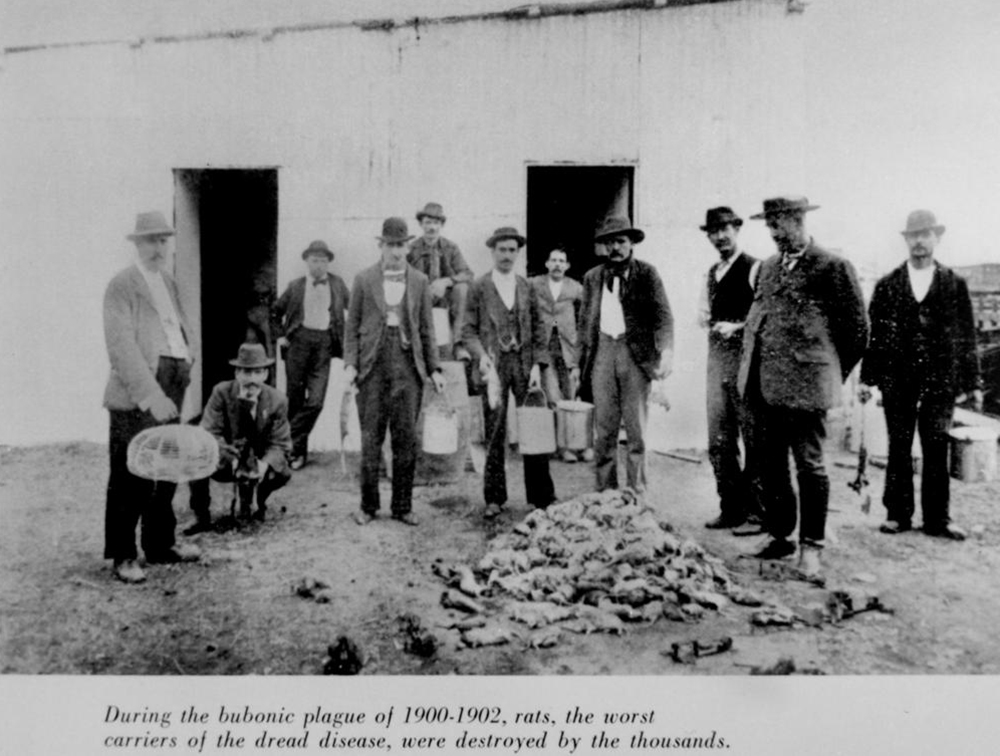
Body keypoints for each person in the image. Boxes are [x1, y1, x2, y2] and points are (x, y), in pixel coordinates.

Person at [737, 196, 868, 579]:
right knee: (773, 464)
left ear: (799, 221)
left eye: (781, 225)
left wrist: (827, 373)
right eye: (771, 227)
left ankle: (812, 546)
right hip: (767, 384)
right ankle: (781, 536)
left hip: (808, 386)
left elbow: (857, 331)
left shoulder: (833, 266)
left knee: (809, 465)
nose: (776, 234)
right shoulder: (768, 268)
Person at [859, 210, 982, 541]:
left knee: (936, 445)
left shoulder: (953, 284)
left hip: (940, 380)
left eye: (925, 234)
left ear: (936, 238)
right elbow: (876, 335)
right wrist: (867, 379)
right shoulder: (888, 285)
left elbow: (966, 336)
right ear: (905, 240)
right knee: (899, 445)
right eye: (913, 235)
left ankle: (937, 519)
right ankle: (897, 515)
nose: (919, 241)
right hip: (898, 379)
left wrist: (973, 384)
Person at [102, 211, 201, 584]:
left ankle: (160, 544)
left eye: (163, 240)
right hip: (138, 392)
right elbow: (121, 347)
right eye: (150, 241)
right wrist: (151, 395)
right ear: (137, 244)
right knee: (131, 472)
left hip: (174, 381)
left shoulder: (169, 283)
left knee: (168, 466)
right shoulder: (122, 285)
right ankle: (124, 555)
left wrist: (188, 362)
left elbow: (179, 331)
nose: (158, 247)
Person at [344, 217, 446, 526]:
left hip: (407, 366)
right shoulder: (363, 279)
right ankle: (368, 506)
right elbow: (351, 328)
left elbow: (427, 329)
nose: (396, 252)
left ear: (407, 246)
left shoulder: (419, 281)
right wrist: (350, 365)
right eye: (390, 245)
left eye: (401, 245)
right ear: (381, 246)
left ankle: (403, 506)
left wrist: (435, 368)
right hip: (371, 367)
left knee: (405, 441)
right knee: (370, 439)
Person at [460, 226, 556, 518]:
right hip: (494, 367)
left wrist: (538, 366)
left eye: (512, 250)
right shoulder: (479, 286)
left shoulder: (527, 287)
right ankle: (494, 497)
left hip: (525, 365)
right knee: (495, 431)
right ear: (492, 252)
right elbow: (468, 330)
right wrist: (481, 358)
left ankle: (541, 497)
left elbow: (540, 329)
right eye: (501, 249)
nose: (506, 255)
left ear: (518, 253)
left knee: (533, 427)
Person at [579, 217, 673, 493]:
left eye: (621, 241)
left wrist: (666, 352)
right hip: (602, 354)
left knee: (636, 430)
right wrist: (578, 363)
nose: (615, 248)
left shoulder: (647, 274)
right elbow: (584, 322)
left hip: (636, 356)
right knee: (604, 430)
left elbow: (664, 317)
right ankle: (605, 494)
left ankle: (636, 494)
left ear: (631, 243)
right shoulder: (592, 277)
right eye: (610, 242)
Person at [696, 207, 763, 534]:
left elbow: (766, 315)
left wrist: (738, 327)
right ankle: (730, 507)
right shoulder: (712, 272)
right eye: (713, 231)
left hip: (747, 365)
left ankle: (756, 512)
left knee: (753, 438)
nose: (720, 236)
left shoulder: (755, 268)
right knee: (719, 441)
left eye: (725, 229)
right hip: (717, 364)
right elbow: (704, 314)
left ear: (737, 229)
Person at [192, 343, 292, 525]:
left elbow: (281, 443)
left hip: (259, 458)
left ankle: (258, 502)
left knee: (282, 472)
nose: (252, 379)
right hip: (227, 457)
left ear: (265, 374)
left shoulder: (277, 400)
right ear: (237, 373)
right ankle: (201, 515)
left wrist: (263, 465)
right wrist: (232, 460)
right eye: (246, 372)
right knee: (196, 457)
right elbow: (209, 432)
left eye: (257, 372)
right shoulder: (221, 392)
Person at [274, 240, 350, 470]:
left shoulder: (337, 284)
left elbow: (354, 308)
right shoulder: (296, 286)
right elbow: (275, 312)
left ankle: (283, 441)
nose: (319, 265)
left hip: (324, 345)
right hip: (298, 343)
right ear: (306, 261)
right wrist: (280, 336)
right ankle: (298, 454)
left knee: (316, 401)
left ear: (328, 263)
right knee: (295, 400)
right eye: (315, 260)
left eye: (323, 260)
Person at [530, 247, 590, 463]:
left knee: (572, 394)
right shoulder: (534, 284)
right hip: (545, 346)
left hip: (568, 347)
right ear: (547, 264)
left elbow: (589, 312)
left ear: (567, 266)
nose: (557, 264)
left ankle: (578, 445)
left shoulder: (575, 287)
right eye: (553, 260)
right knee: (553, 396)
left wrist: (581, 338)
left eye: (561, 261)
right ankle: (561, 447)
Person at [407, 202, 474, 359]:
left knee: (462, 289)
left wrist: (446, 282)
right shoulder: (411, 248)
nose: (432, 227)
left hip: (445, 299)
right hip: (420, 296)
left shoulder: (451, 247)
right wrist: (423, 287)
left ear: (441, 225)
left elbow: (468, 274)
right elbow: (403, 275)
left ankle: (458, 345)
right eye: (428, 222)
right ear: (420, 224)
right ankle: (414, 346)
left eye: (436, 223)